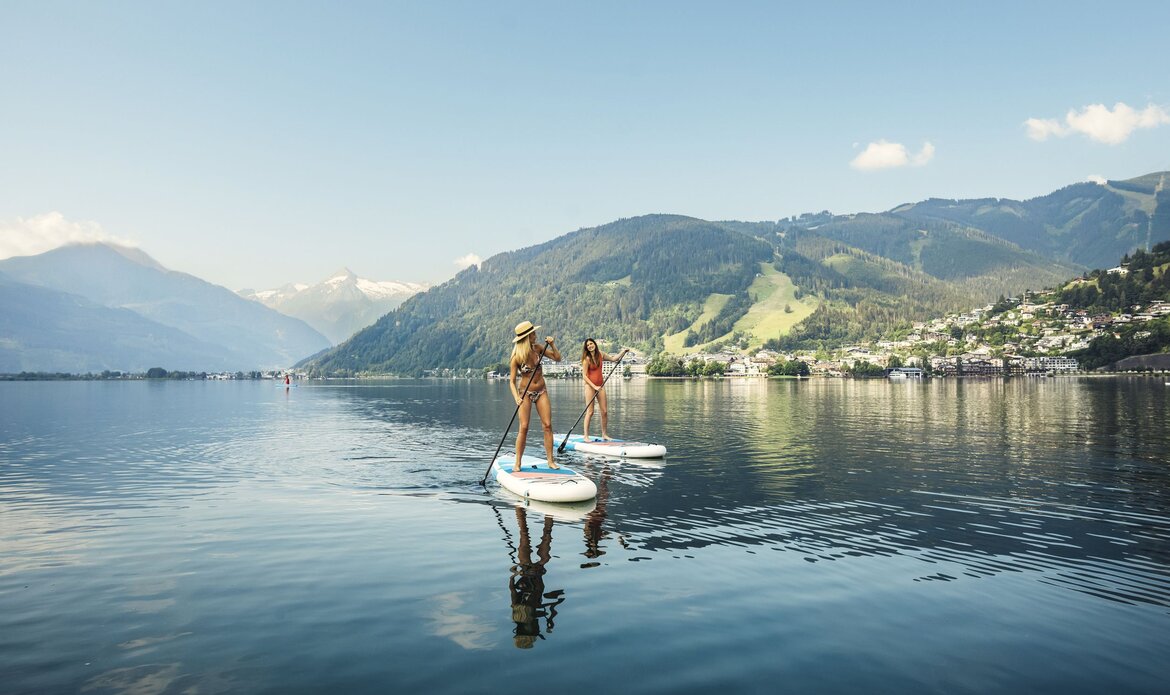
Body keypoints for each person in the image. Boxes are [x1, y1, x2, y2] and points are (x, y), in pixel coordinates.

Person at [509, 320, 563, 471]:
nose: (535, 335)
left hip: (541, 391)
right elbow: (512, 382)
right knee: (524, 427)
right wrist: (516, 398)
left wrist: (552, 345)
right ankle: (517, 463)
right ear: (526, 337)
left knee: (547, 425)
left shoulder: (539, 348)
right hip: (524, 393)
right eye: (533, 333)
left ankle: (550, 461)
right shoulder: (516, 357)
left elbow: (558, 358)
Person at [580, 338, 628, 441]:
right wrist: (594, 386)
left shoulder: (601, 354)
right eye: (587, 345)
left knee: (604, 411)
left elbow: (613, 359)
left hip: (600, 385)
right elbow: (584, 376)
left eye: (591, 344)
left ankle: (604, 434)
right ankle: (586, 436)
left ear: (595, 344)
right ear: (586, 348)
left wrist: (623, 352)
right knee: (590, 412)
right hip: (590, 386)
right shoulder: (586, 359)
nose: (590, 346)